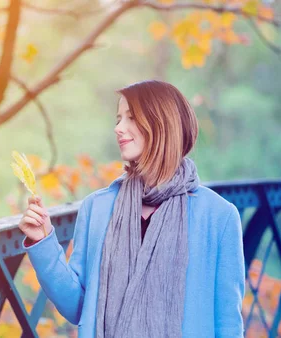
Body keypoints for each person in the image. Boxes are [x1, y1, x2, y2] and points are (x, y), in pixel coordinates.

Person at [18, 80, 245, 337]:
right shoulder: (98, 208)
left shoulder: (218, 216)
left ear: (162, 124)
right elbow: (77, 307)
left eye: (131, 118)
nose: (118, 128)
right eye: (118, 119)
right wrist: (44, 242)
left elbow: (228, 324)